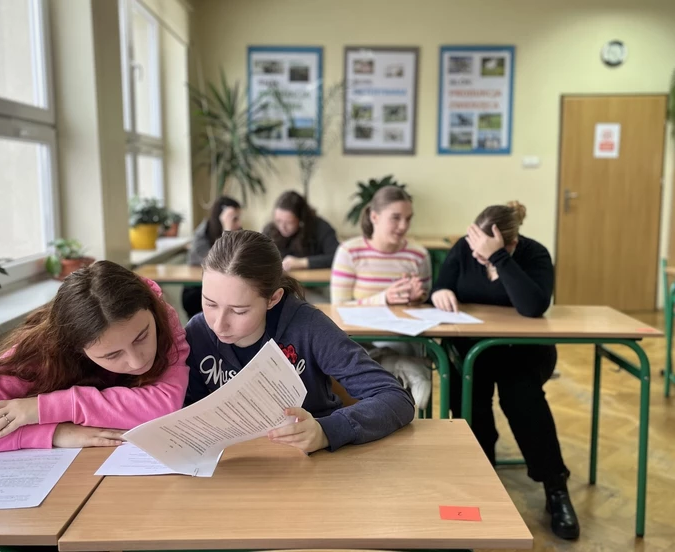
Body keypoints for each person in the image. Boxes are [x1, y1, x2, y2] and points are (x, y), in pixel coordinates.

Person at [185, 230, 414, 453]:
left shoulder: (309, 327)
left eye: (239, 311)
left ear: (273, 299)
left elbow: (395, 397)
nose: (219, 325)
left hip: (310, 461)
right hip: (234, 465)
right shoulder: (197, 333)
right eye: (210, 304)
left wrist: (326, 431)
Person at [431, 201, 579, 540]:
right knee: (469, 398)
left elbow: (533, 306)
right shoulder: (464, 248)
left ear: (511, 243)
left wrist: (499, 259)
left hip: (523, 352)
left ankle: (555, 486)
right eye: (476, 249)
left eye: (486, 252)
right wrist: (440, 292)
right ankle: (481, 476)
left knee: (522, 397)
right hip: (471, 351)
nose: (478, 256)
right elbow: (440, 286)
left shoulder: (534, 254)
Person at [0, 261, 189, 453]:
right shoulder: (41, 354)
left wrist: (41, 408)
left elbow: (164, 405)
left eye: (142, 336)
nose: (137, 361)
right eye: (112, 354)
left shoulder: (160, 316)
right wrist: (54, 432)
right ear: (76, 348)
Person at [330, 185, 433, 410]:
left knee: (403, 345)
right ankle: (404, 367)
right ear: (374, 217)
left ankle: (403, 371)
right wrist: (383, 298)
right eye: (395, 218)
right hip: (362, 338)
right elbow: (338, 307)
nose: (403, 226)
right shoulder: (350, 251)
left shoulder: (418, 255)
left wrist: (417, 298)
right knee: (350, 351)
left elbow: (424, 305)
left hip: (402, 335)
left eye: (408, 218)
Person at [182, 196, 242, 319]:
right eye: (234, 219)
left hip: (222, 289)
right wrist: (227, 230)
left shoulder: (237, 233)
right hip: (198, 290)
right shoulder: (202, 234)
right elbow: (217, 262)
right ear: (222, 217)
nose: (239, 223)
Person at [263, 190, 339, 271]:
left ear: (301, 220)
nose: (282, 227)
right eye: (278, 221)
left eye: (289, 222)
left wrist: (302, 263)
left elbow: (337, 256)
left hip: (313, 277)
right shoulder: (270, 229)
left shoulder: (321, 228)